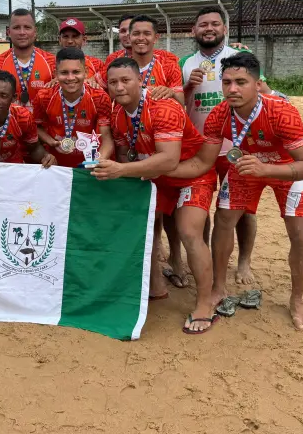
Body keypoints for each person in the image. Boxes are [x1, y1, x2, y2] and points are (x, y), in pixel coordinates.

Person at [167, 52, 303, 330]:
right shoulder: (219, 114)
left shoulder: (281, 111)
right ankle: (218, 288)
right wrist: (158, 169)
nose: (233, 89)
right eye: (227, 83)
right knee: (224, 219)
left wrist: (266, 169)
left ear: (258, 84)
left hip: (288, 169)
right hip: (247, 165)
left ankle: (297, 300)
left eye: (241, 82)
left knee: (299, 232)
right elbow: (203, 162)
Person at [91, 57, 218, 335]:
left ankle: (204, 304)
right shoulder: (117, 112)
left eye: (126, 80)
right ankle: (155, 285)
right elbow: (124, 153)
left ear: (140, 80)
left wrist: (120, 170)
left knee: (189, 232)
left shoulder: (163, 107)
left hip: (191, 174)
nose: (119, 87)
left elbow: (168, 160)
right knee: (140, 225)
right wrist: (111, 165)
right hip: (156, 177)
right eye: (113, 82)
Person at [177, 7, 258, 288]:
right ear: (193, 31)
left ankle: (244, 260)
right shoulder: (184, 62)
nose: (209, 28)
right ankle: (207, 261)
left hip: (237, 148)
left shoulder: (240, 56)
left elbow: (259, 91)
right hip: (200, 149)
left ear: (224, 29)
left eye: (214, 24)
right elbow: (177, 102)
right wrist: (188, 86)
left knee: (243, 210)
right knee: (200, 209)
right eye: (203, 25)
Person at [33, 47, 115, 168]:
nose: (70, 78)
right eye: (64, 72)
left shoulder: (99, 97)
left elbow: (107, 139)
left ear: (85, 72)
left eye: (76, 72)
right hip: (56, 165)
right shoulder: (44, 96)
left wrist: (97, 161)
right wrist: (50, 141)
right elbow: (35, 127)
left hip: (88, 164)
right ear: (55, 73)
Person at [0, 8, 56, 113]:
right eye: (16, 28)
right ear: (8, 32)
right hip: (9, 122)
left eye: (27, 27)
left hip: (42, 123)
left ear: (35, 31)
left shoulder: (52, 62)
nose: (22, 32)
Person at [57, 18, 105, 82]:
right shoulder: (50, 64)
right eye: (65, 36)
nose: (70, 41)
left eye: (75, 36)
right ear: (60, 40)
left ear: (84, 40)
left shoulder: (97, 65)